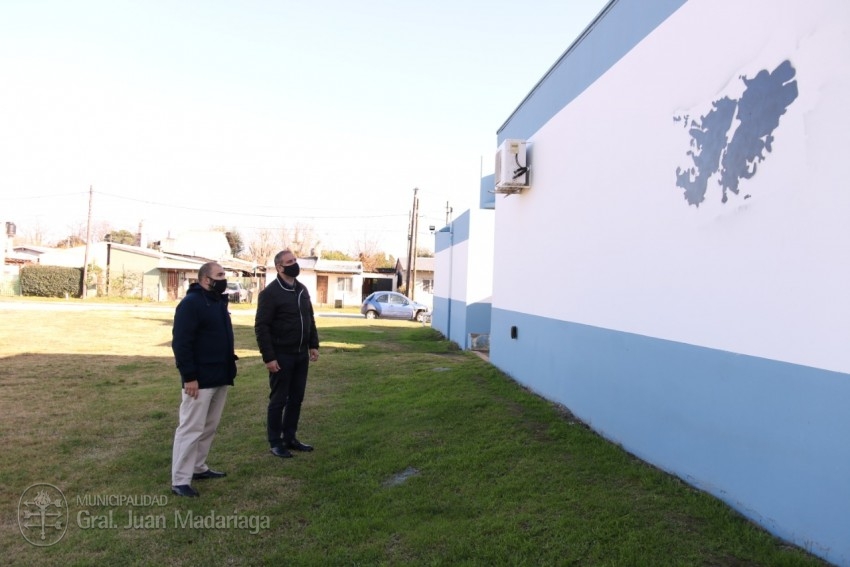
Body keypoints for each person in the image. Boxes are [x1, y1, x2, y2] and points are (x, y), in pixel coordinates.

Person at [170, 262, 238, 497]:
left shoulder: (218, 302)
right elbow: (181, 343)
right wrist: (189, 377)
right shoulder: (191, 304)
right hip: (198, 380)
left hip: (219, 375)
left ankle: (198, 467)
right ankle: (180, 480)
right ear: (205, 279)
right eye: (219, 275)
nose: (223, 278)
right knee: (190, 428)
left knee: (208, 427)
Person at [254, 249, 319, 458]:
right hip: (281, 355)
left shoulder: (302, 289)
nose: (294, 264)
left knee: (296, 399)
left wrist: (313, 344)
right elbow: (261, 326)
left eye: (295, 260)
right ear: (279, 267)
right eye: (289, 261)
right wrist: (269, 357)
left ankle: (290, 437)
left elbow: (309, 318)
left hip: (301, 354)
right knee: (279, 400)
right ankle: (275, 442)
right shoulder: (270, 293)